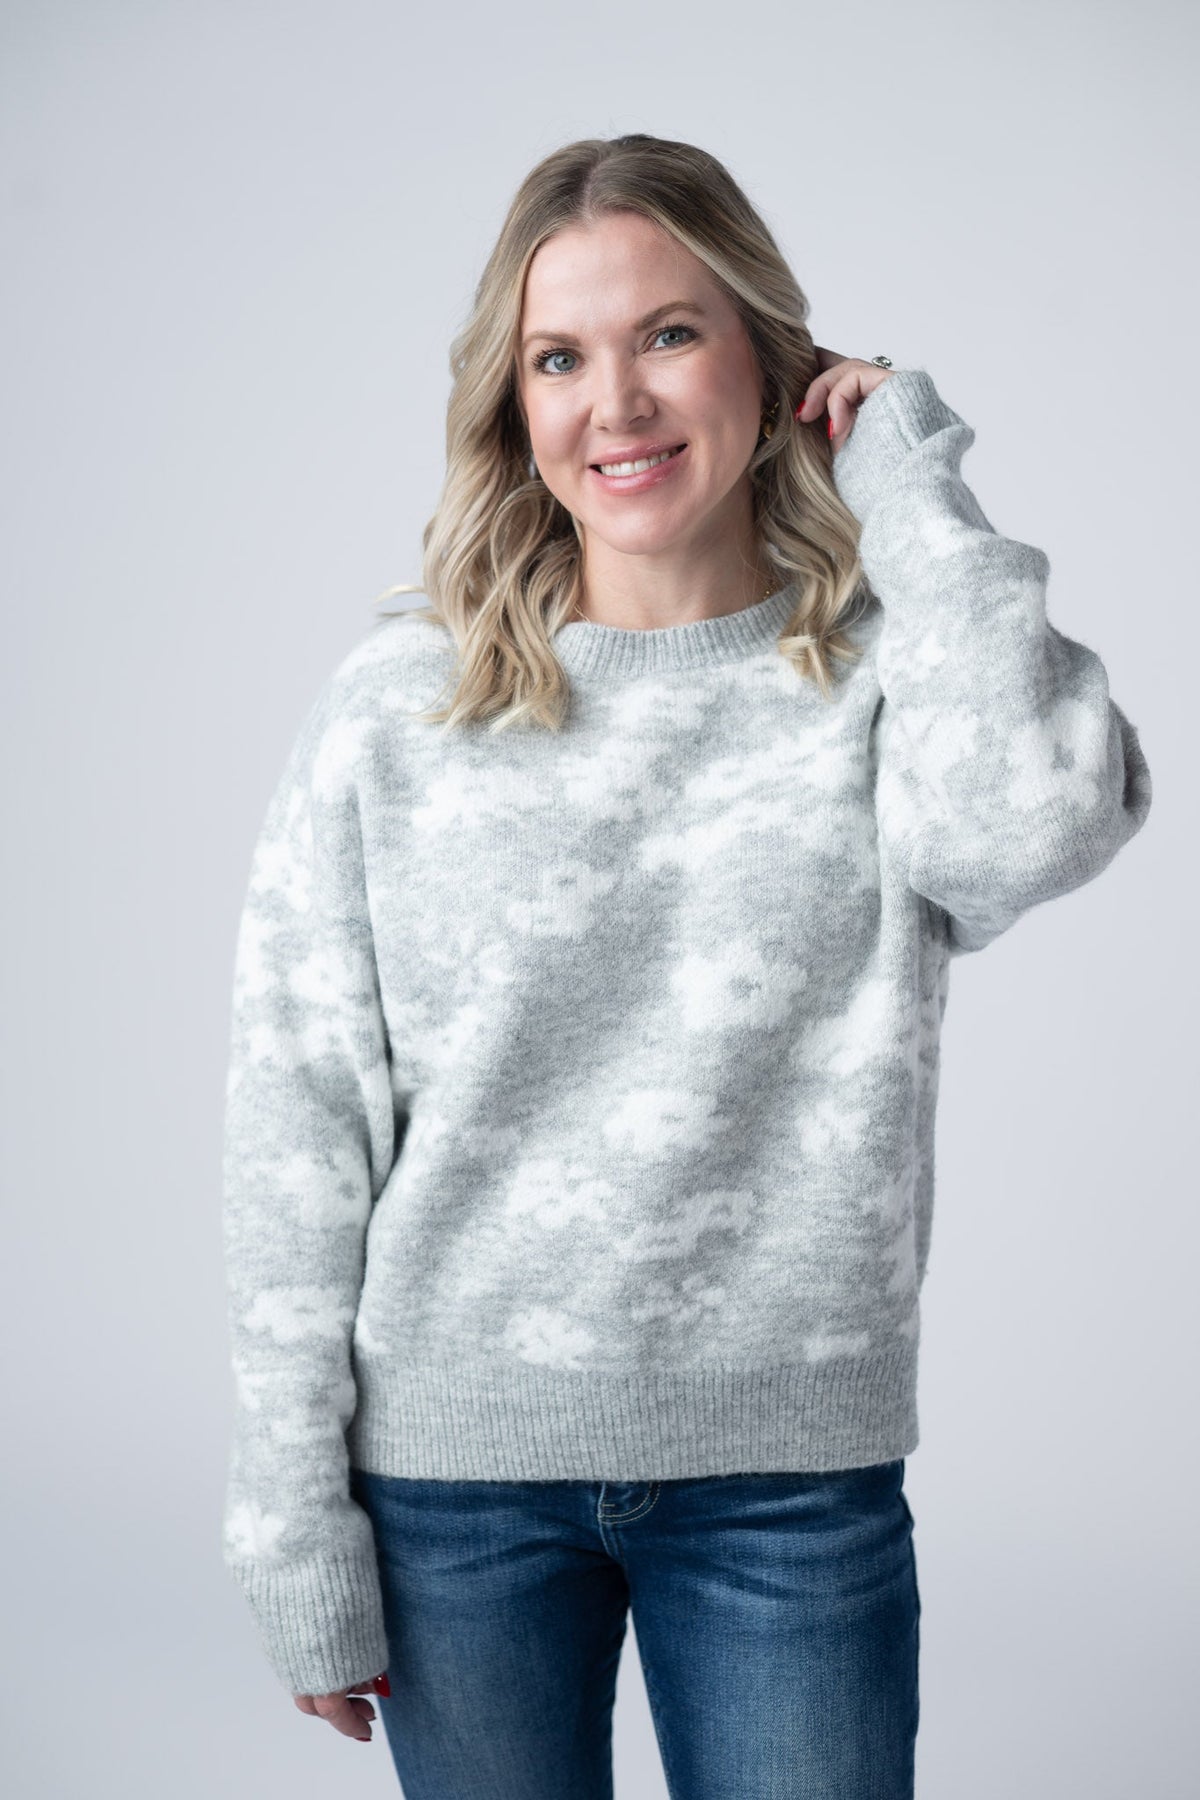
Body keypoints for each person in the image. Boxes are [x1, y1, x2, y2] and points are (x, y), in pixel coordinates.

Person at [219, 132, 1153, 1797]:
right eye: (559, 358)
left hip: (790, 1481)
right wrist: (294, 1516)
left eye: (668, 335)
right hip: (456, 1488)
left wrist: (916, 492)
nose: (616, 405)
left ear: (770, 357)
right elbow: (297, 1122)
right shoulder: (404, 707)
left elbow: (1033, 824)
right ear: (513, 405)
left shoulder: (880, 678)